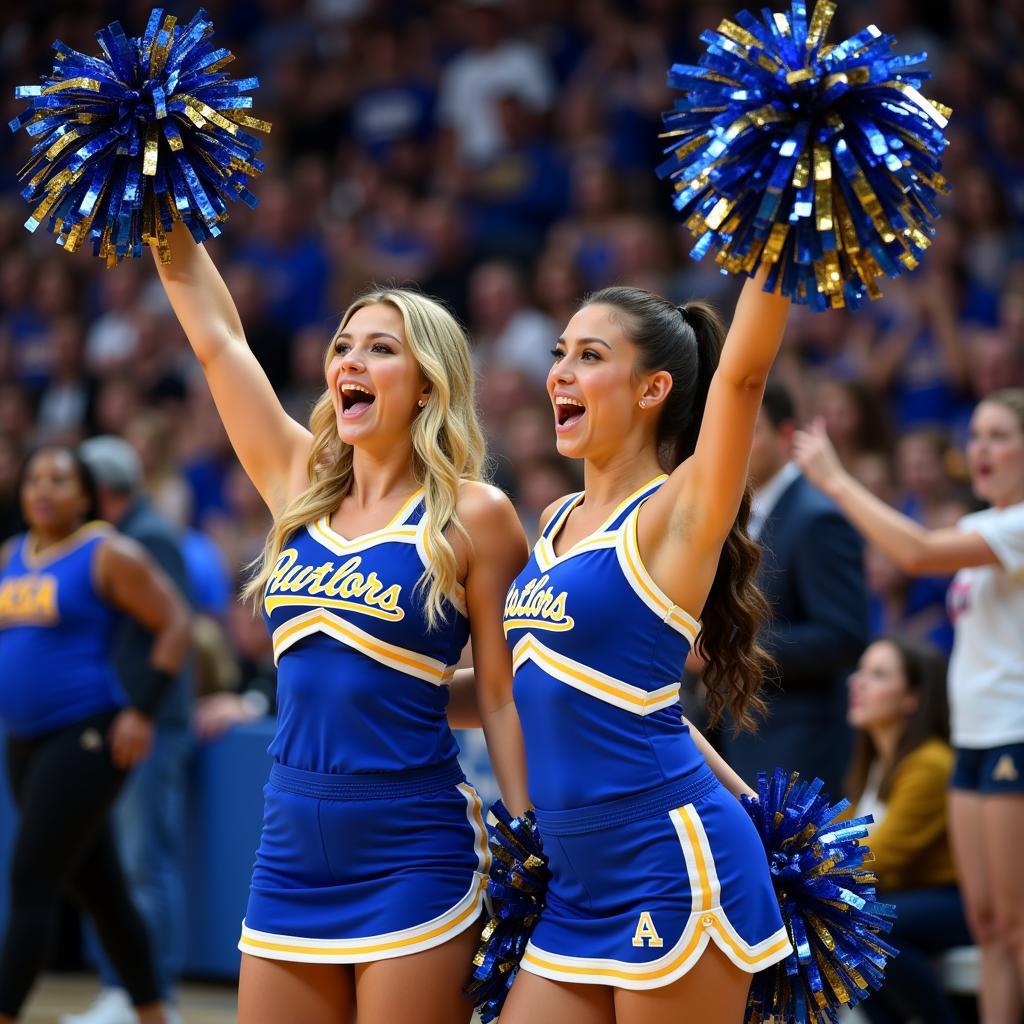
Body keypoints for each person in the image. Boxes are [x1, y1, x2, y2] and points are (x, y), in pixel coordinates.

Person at [149, 220, 529, 1024]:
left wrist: (529, 836)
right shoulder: (298, 481)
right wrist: (157, 197)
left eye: (380, 348)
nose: (350, 361)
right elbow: (218, 341)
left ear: (428, 382)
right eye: (343, 346)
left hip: (412, 848)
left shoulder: (476, 516)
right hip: (287, 844)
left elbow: (501, 695)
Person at [499, 272, 794, 1022]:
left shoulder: (677, 510)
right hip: (576, 884)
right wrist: (380, 678)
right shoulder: (556, 518)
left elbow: (744, 374)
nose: (559, 372)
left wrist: (780, 219)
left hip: (666, 866)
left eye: (590, 356)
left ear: (653, 388)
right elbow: (609, 698)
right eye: (559, 352)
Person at [794, 388, 1024, 1024]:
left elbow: (917, 552)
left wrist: (836, 481)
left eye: (1000, 436)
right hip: (975, 740)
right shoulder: (983, 527)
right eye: (974, 435)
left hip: (1014, 736)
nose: (980, 449)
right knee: (989, 926)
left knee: (1014, 926)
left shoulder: (1019, 526)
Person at [0, 446, 191, 1024]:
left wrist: (142, 710)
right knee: (102, 889)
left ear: (84, 495)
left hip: (86, 736)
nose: (43, 488)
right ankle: (154, 1012)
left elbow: (175, 623)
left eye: (59, 479)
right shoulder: (11, 555)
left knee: (31, 880)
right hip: (23, 741)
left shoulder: (107, 552)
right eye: (34, 478)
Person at [61, 437, 193, 1024]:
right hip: (132, 719)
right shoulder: (122, 536)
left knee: (145, 863)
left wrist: (139, 707)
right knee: (127, 861)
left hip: (153, 722)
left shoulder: (148, 537)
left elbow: (168, 631)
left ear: (104, 492)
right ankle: (131, 989)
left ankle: (147, 992)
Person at [720, 380, 869, 797]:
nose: (731, 444)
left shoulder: (816, 518)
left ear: (786, 436)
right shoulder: (739, 514)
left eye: (749, 431)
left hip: (800, 743)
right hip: (743, 735)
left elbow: (844, 635)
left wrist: (731, 646)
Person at [844, 636, 970, 1024]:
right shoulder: (873, 766)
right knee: (842, 923)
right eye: (861, 670)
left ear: (912, 698)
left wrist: (803, 869)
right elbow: (837, 842)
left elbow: (879, 855)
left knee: (863, 923)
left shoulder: (930, 763)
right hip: (908, 898)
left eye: (877, 675)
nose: (857, 682)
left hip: (957, 903)